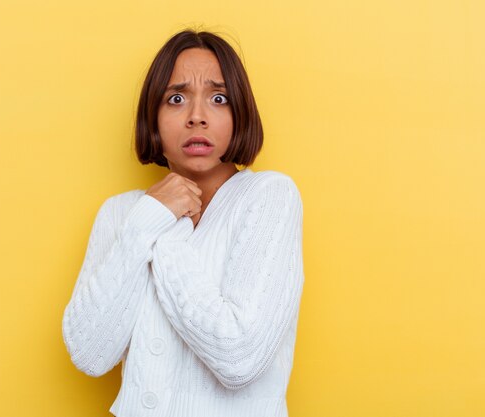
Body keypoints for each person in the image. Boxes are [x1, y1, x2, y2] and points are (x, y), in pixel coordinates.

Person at [62, 29, 304, 417]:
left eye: (218, 98)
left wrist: (165, 233)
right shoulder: (123, 213)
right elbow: (91, 354)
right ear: (153, 120)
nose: (197, 117)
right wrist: (147, 220)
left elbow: (239, 358)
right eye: (176, 98)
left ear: (240, 112)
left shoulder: (269, 196)